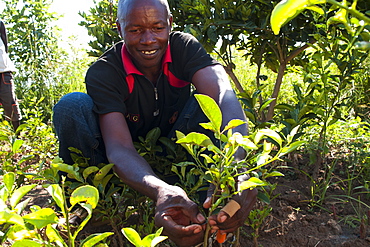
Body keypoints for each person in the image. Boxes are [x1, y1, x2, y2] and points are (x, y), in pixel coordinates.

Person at [53, 0, 257, 245]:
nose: (148, 40)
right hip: (127, 165)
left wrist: (237, 165)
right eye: (135, 30)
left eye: (158, 27)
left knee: (206, 105)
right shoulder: (106, 71)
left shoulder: (183, 48)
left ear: (170, 24)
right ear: (119, 29)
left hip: (177, 151)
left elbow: (223, 94)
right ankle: (88, 206)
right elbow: (120, 148)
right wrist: (160, 190)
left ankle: (209, 206)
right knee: (72, 106)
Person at [0, 20, 21, 131]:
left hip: (3, 71)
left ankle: (17, 136)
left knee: (10, 103)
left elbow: (5, 45)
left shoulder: (0, 23)